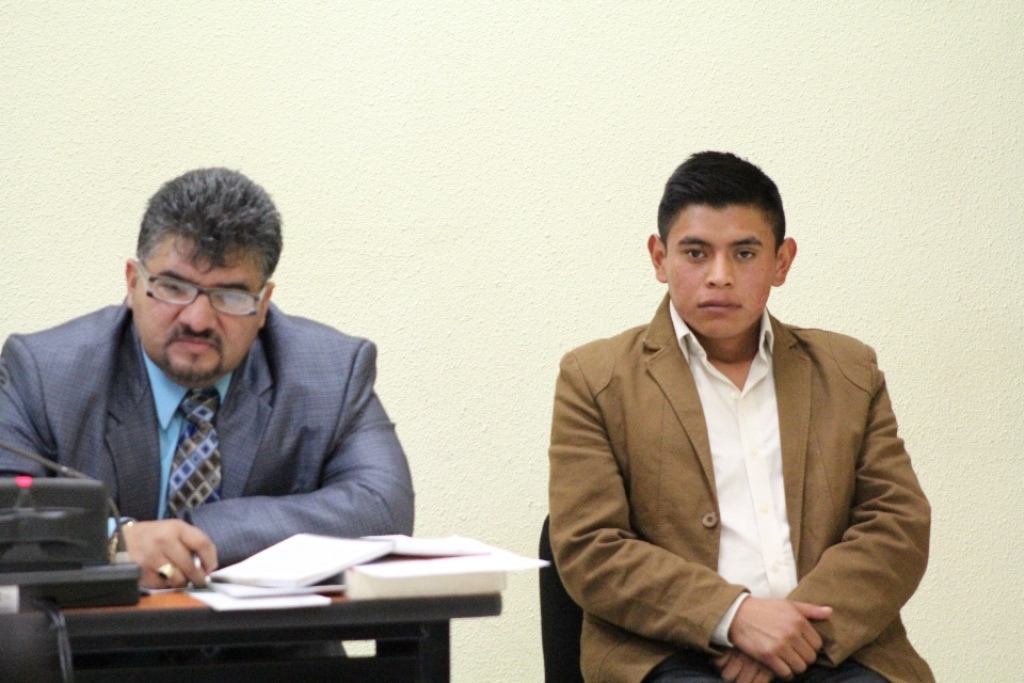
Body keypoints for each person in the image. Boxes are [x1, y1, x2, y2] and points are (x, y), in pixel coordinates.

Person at [547, 152, 932, 683]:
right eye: (696, 252)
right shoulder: (595, 378)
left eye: (745, 253)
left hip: (835, 646)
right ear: (659, 258)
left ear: (782, 261)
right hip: (671, 653)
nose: (720, 277)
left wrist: (792, 632)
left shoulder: (849, 371)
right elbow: (591, 547)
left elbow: (897, 526)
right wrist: (733, 618)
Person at [0, 168, 414, 590]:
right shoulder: (45, 373)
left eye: (230, 296)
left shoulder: (330, 373)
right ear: (133, 282)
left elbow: (383, 508)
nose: (197, 319)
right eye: (173, 287)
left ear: (264, 303)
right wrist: (115, 541)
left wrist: (193, 535)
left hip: (276, 651)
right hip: (100, 650)